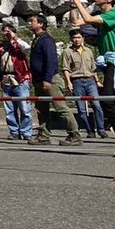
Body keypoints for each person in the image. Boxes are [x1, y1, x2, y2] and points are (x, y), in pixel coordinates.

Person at [69, 0, 115, 156]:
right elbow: (76, 22)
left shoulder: (114, 15)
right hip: (108, 62)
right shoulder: (102, 16)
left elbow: (86, 18)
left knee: (110, 99)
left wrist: (78, 0)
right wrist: (74, 5)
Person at [26, 14, 82, 146]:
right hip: (39, 80)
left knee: (61, 107)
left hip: (50, 79)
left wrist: (47, 79)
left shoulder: (47, 40)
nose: (29, 24)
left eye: (32, 21)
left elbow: (51, 61)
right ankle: (44, 135)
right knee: (41, 108)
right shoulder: (36, 40)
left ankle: (75, 134)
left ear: (41, 24)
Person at [61, 28, 105, 138]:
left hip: (90, 81)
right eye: (74, 38)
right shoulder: (68, 52)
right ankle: (89, 131)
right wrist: (68, 83)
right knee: (81, 109)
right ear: (71, 39)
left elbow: (93, 68)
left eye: (79, 37)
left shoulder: (88, 51)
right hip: (77, 81)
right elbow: (66, 68)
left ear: (83, 38)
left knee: (97, 105)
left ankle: (101, 129)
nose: (77, 40)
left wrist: (97, 81)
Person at [0, 25, 33, 140]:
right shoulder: (0, 48)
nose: (6, 34)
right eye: (4, 32)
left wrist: (15, 38)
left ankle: (26, 132)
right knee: (9, 108)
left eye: (8, 31)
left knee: (25, 108)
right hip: (6, 78)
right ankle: (14, 131)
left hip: (20, 78)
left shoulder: (18, 45)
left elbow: (27, 48)